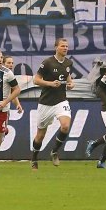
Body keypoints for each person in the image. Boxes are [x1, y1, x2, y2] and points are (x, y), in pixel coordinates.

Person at [31, 37, 74, 168]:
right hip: (46, 102)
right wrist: (49, 83)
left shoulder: (68, 63)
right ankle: (34, 159)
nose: (65, 48)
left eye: (66, 46)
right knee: (40, 136)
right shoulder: (48, 62)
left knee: (65, 126)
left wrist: (70, 83)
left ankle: (54, 151)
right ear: (56, 47)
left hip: (61, 100)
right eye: (62, 46)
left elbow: (67, 76)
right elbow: (36, 80)